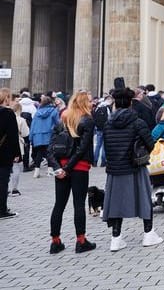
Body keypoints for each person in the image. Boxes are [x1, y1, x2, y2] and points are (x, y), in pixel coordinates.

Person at [103, 87, 162, 251]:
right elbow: (151, 144)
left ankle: (116, 238)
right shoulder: (138, 122)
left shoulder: (108, 123)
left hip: (115, 168)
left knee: (115, 203)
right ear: (130, 103)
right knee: (144, 199)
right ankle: (148, 234)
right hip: (136, 166)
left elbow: (106, 146)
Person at [47, 91, 97, 254]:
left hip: (61, 167)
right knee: (78, 204)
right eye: (89, 101)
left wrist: (58, 168)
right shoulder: (87, 120)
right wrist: (68, 168)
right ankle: (81, 241)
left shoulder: (63, 117)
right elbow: (82, 149)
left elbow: (51, 147)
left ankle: (55, 242)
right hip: (79, 167)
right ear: (83, 103)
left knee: (59, 205)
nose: (91, 103)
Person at [0, 88, 21, 219]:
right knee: (2, 182)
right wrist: (17, 153)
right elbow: (13, 136)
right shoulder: (8, 113)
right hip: (4, 153)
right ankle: (2, 209)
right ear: (6, 98)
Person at [29, 95, 61, 178]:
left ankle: (36, 171)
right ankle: (49, 171)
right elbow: (58, 123)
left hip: (38, 135)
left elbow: (33, 125)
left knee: (39, 152)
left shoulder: (37, 112)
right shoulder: (54, 111)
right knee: (50, 152)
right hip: (49, 134)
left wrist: (31, 136)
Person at [8, 102, 28, 197]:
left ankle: (5, 188)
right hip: (17, 144)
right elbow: (25, 133)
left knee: (5, 168)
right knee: (16, 167)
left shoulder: (6, 117)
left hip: (5, 145)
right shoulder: (21, 120)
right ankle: (14, 188)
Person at [93, 94, 112, 167]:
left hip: (98, 129)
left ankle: (95, 161)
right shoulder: (107, 108)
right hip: (106, 129)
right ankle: (103, 162)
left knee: (98, 145)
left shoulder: (98, 107)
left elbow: (94, 117)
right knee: (104, 145)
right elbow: (109, 118)